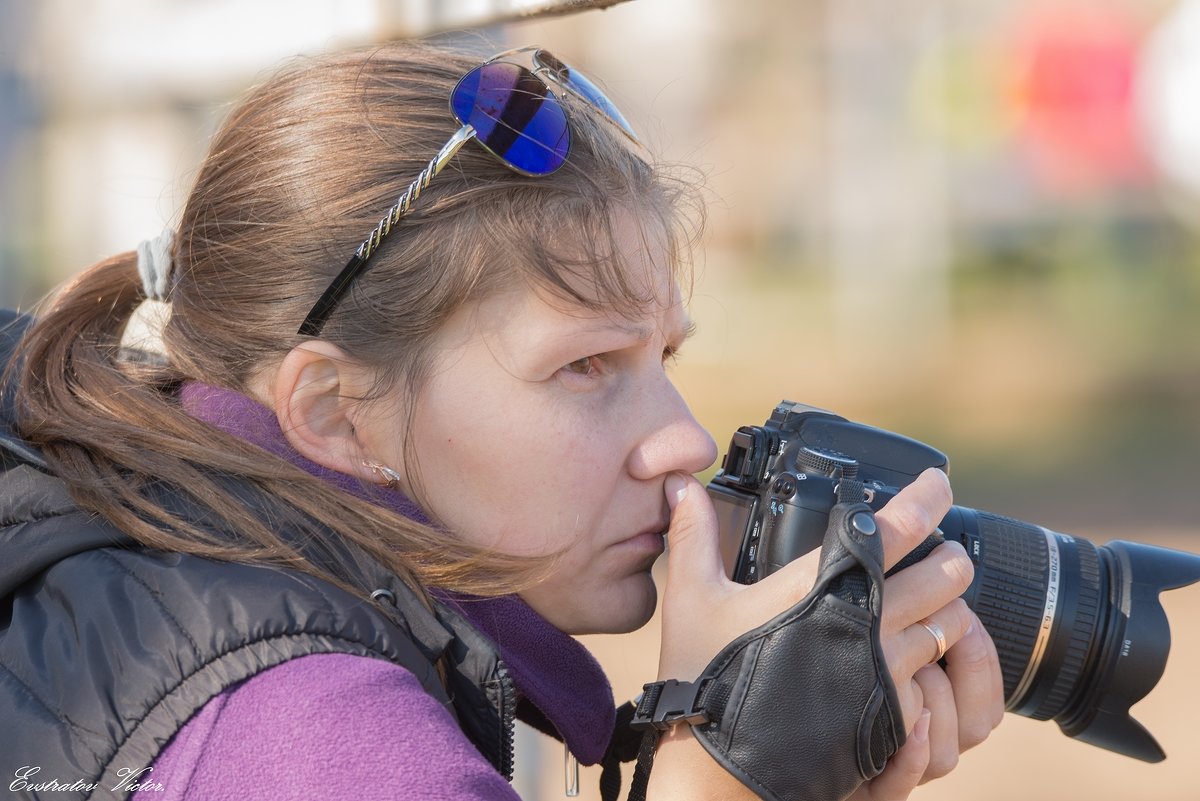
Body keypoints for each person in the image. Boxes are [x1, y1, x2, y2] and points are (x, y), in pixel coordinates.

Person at [0, 40, 1004, 800]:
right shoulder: (323, 741)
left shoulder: (161, 540)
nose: (688, 442)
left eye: (663, 357)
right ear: (339, 417)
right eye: (584, 367)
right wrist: (718, 774)